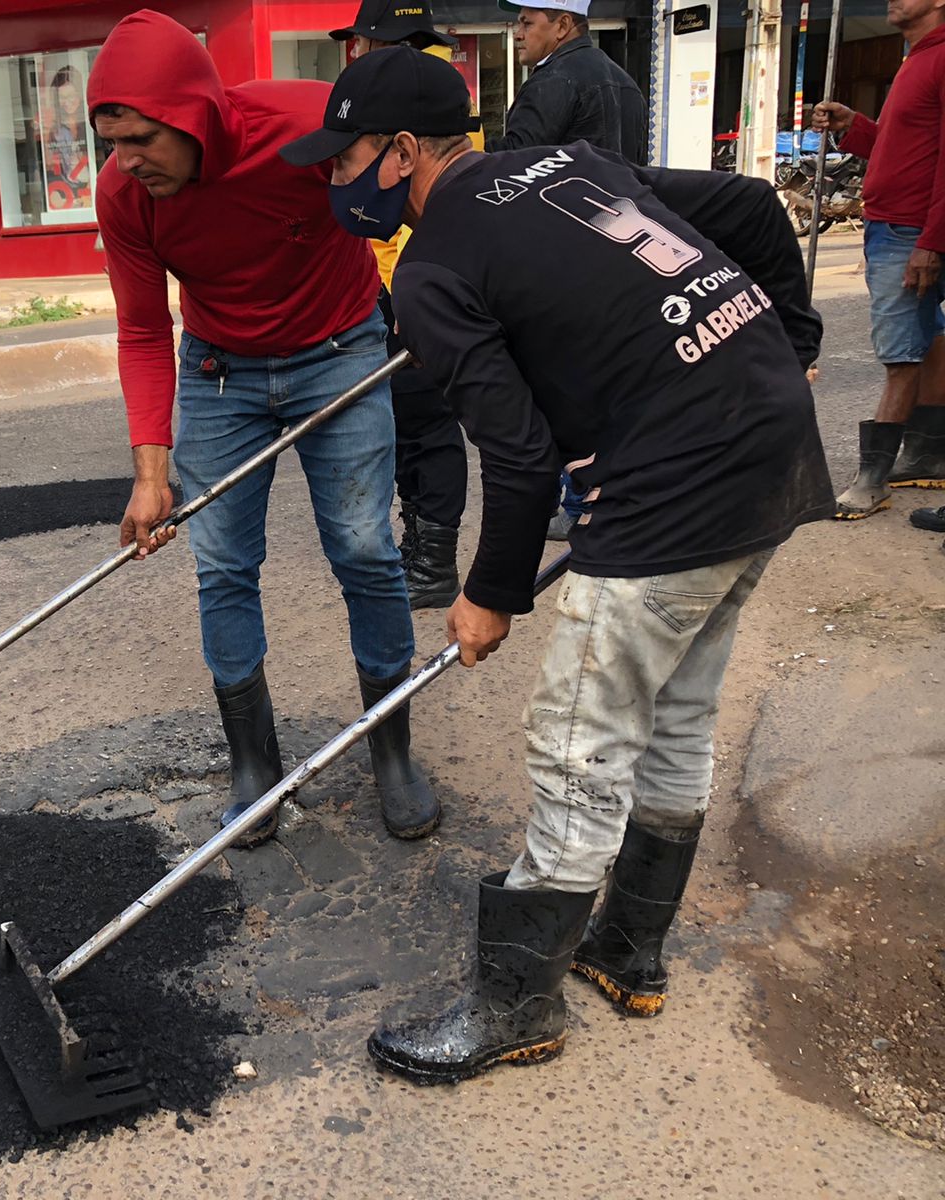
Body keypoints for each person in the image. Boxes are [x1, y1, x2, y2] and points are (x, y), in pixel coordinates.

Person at [283, 48, 831, 1084]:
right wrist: (788, 339)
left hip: (675, 483)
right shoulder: (565, 165)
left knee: (580, 739)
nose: (332, 183)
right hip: (771, 439)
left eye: (342, 159)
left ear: (401, 154)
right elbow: (756, 207)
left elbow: (521, 455)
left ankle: (512, 1008)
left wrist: (487, 596)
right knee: (675, 711)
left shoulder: (436, 270)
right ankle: (626, 951)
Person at [90, 10, 440, 846]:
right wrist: (150, 471)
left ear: (194, 114)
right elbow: (142, 330)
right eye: (111, 139)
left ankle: (391, 748)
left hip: (340, 348)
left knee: (363, 548)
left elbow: (415, 185)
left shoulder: (308, 123)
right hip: (219, 371)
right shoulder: (124, 195)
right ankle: (255, 760)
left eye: (141, 137)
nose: (126, 160)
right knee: (222, 564)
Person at [331, 0, 474, 609]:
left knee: (428, 425)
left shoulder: (415, 109)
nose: (356, 52)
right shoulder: (432, 95)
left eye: (362, 41)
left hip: (420, 286)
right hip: (403, 284)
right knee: (415, 427)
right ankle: (424, 547)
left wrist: (410, 299)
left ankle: (434, 561)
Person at [496, 0, 649, 540]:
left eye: (527, 22)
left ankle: (579, 497)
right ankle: (603, 491)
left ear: (563, 25)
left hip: (562, 252)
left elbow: (518, 172)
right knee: (612, 375)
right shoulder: (622, 80)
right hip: (622, 243)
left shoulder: (553, 81)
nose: (517, 31)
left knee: (557, 381)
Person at [812, 0, 945, 519]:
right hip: (898, 225)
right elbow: (900, 147)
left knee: (900, 352)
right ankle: (926, 453)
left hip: (911, 230)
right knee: (930, 337)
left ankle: (872, 478)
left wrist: (930, 242)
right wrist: (852, 125)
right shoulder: (914, 57)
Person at [45, 65, 93, 210]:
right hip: (68, 198)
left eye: (71, 95)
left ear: (80, 93)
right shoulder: (55, 131)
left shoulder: (92, 125)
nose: (67, 102)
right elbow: (53, 168)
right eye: (62, 97)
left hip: (93, 194)